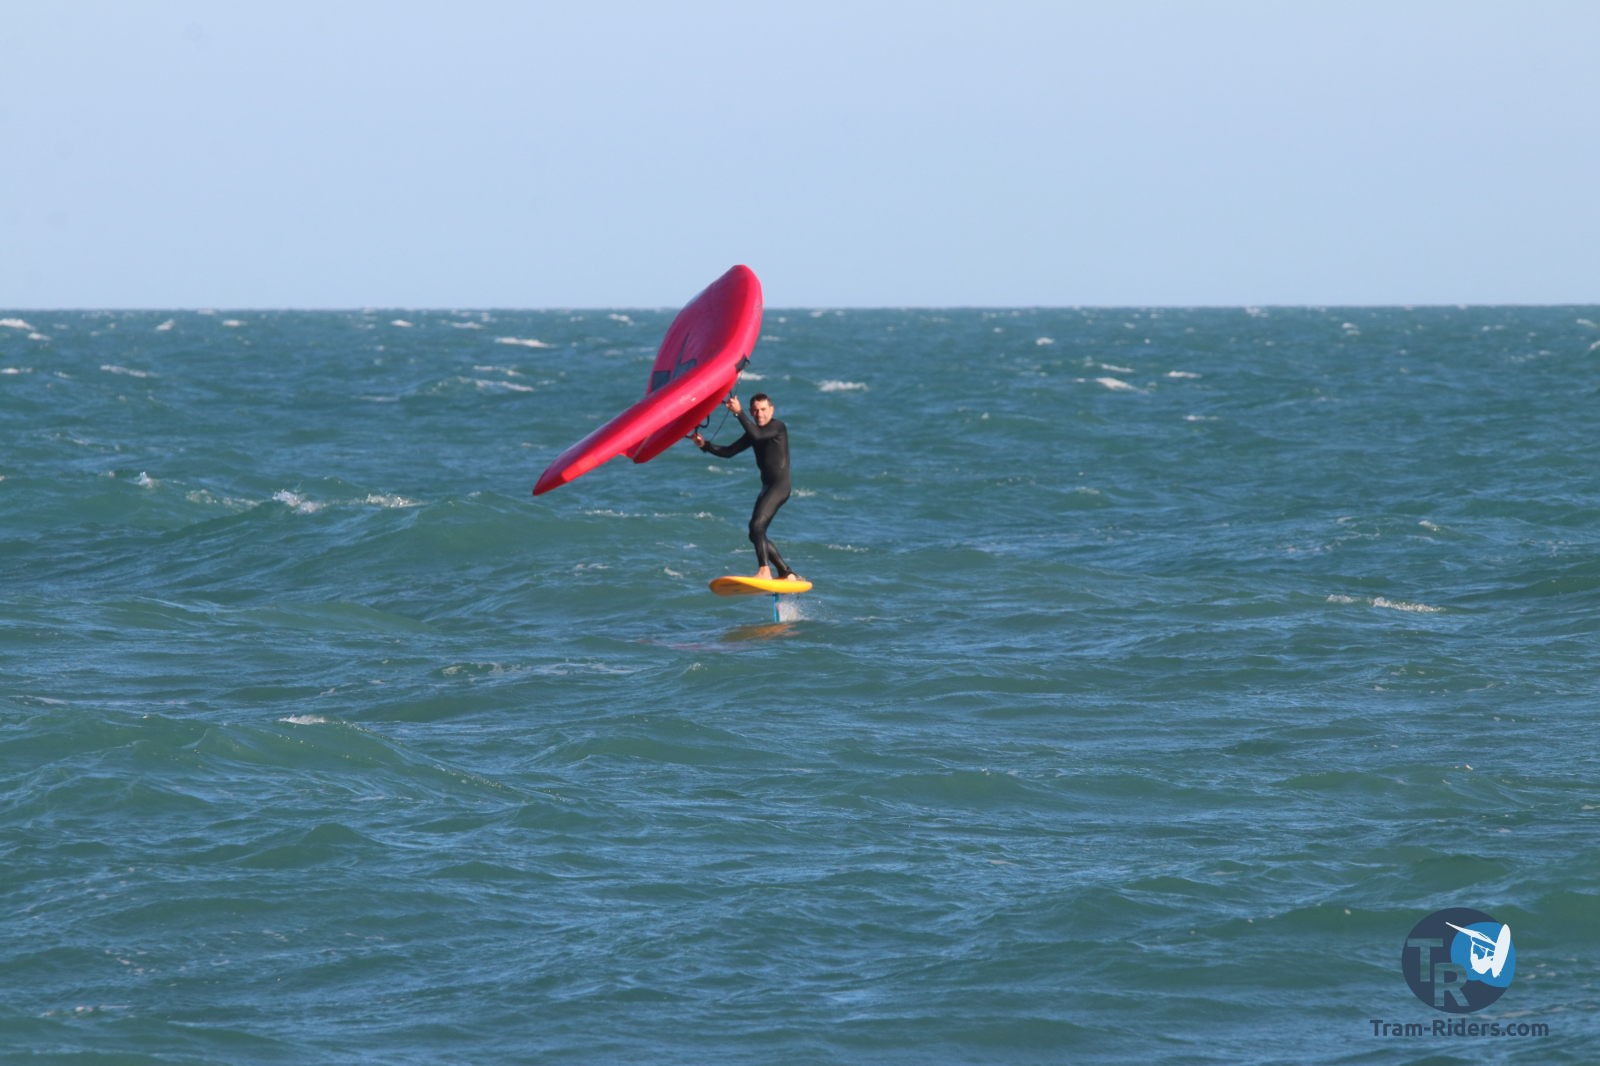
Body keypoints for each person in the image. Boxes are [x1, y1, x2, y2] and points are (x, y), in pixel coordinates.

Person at [692, 393, 802, 582]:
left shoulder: (777, 427)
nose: (759, 414)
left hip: (779, 486)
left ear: (772, 409)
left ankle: (765, 570)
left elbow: (758, 435)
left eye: (763, 410)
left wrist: (739, 413)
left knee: (757, 526)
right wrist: (705, 445)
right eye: (755, 411)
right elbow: (728, 452)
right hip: (767, 486)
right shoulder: (754, 433)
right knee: (755, 533)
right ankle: (786, 572)